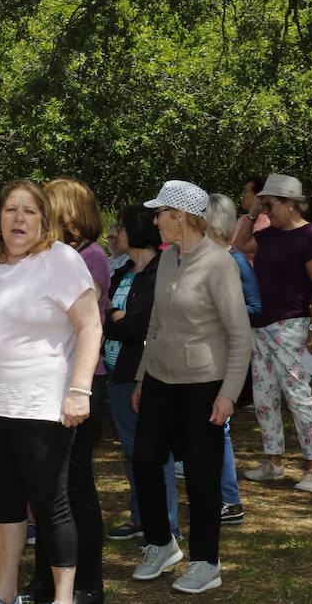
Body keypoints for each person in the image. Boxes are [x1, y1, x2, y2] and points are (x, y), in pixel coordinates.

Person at [0, 179, 102, 604]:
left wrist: (80, 390)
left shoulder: (60, 260)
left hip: (42, 406)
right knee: (3, 503)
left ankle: (62, 597)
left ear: (45, 220)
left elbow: (91, 327)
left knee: (48, 502)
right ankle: (4, 593)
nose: (18, 219)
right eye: (10, 209)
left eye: (29, 211)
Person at [130, 180, 251, 595]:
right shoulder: (167, 259)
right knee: (145, 459)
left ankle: (206, 561)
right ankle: (162, 543)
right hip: (161, 381)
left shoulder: (219, 263)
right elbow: (156, 325)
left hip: (205, 384)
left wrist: (228, 394)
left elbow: (240, 335)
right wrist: (144, 376)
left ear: (180, 217)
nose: (155, 220)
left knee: (200, 475)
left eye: (159, 213)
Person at [24, 178, 108, 604]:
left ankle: (88, 583)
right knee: (46, 491)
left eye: (44, 205)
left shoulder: (89, 257)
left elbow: (81, 325)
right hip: (49, 387)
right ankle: (46, 580)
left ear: (67, 212)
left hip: (80, 386)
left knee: (74, 489)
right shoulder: (54, 256)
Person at [234, 173, 312, 492]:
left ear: (290, 204)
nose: (265, 210)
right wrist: (251, 214)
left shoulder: (310, 236)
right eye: (262, 203)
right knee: (263, 398)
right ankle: (274, 463)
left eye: (269, 203)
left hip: (292, 326)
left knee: (298, 397)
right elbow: (240, 244)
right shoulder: (269, 235)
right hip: (262, 326)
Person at [103, 205, 181, 543]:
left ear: (135, 230)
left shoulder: (159, 271)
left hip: (145, 375)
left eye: (120, 226)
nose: (114, 232)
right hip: (117, 372)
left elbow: (142, 326)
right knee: (133, 453)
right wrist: (118, 318)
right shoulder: (122, 273)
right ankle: (141, 518)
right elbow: (105, 319)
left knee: (153, 453)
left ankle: (166, 527)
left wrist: (121, 319)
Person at [203, 193, 262, 525]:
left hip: (225, 354)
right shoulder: (199, 258)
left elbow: (255, 308)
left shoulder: (236, 260)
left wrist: (222, 314)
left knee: (218, 426)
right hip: (202, 355)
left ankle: (230, 500)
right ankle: (217, 494)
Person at [230, 176, 269, 264]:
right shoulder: (242, 219)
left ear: (258, 197)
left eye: (246, 191)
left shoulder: (268, 224)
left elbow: (240, 246)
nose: (242, 195)